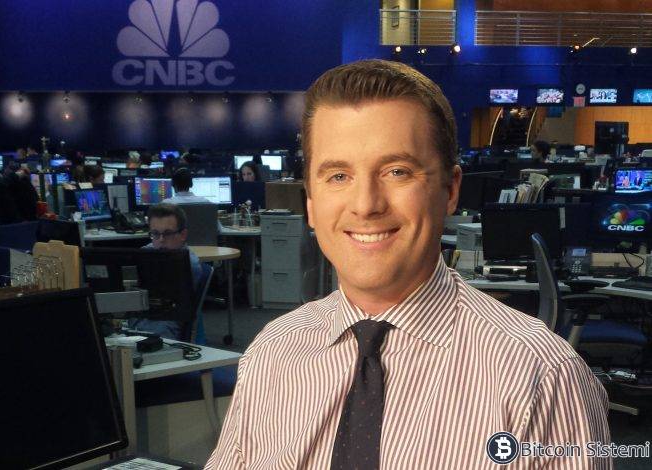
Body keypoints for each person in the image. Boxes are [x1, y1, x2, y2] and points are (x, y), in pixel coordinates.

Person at [206, 60, 611, 469]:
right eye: (338, 176)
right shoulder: (271, 354)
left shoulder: (542, 378)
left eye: (397, 171)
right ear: (310, 202)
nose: (366, 205)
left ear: (450, 190)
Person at [127, 203, 203, 340]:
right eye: (155, 234)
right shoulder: (145, 253)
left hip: (164, 325)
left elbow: (168, 309)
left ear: (183, 235)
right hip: (136, 319)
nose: (161, 240)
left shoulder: (189, 265)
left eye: (168, 234)